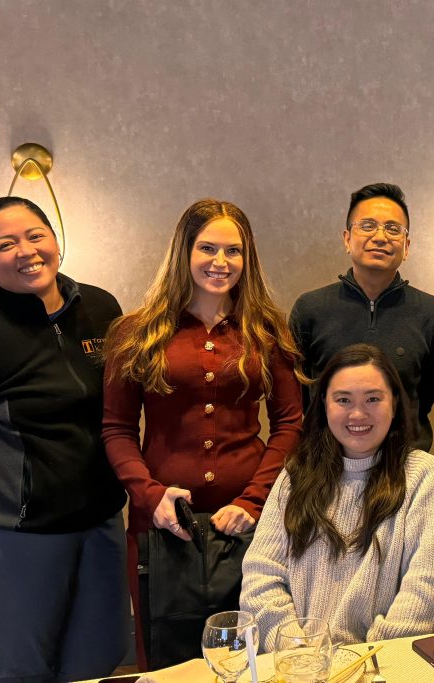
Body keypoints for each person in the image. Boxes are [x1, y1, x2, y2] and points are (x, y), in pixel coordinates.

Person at [102, 199, 303, 668]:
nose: (220, 262)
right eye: (207, 248)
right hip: (164, 524)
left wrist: (255, 500)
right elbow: (116, 429)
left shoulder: (266, 332)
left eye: (233, 251)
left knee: (250, 656)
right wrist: (150, 496)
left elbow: (290, 423)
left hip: (250, 524)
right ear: (183, 251)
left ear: (247, 258)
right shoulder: (137, 332)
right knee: (169, 656)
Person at [0, 196, 128, 681]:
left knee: (99, 661)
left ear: (55, 238)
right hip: (17, 535)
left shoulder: (100, 308)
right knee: (23, 671)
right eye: (6, 244)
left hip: (100, 524)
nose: (26, 251)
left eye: (35, 235)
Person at [241, 344, 434, 648]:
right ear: (324, 405)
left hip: (384, 668)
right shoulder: (297, 474)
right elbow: (260, 576)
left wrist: (366, 662)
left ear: (394, 403)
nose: (358, 413)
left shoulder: (423, 475)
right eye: (343, 400)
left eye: (373, 399)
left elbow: (425, 593)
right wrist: (301, 655)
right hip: (299, 668)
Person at [290, 183, 434, 450]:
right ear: (347, 238)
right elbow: (301, 398)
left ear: (406, 247)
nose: (380, 236)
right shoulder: (310, 309)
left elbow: (423, 397)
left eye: (393, 229)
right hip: (325, 464)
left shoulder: (430, 312)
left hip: (405, 464)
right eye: (368, 226)